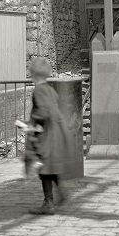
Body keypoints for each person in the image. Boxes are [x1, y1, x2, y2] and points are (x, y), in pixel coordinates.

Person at [26, 56, 69, 215]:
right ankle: (62, 192)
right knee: (51, 167)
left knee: (44, 170)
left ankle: (48, 202)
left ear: (33, 74)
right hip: (56, 133)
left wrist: (31, 124)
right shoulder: (51, 90)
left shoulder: (38, 90)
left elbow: (43, 112)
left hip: (45, 135)